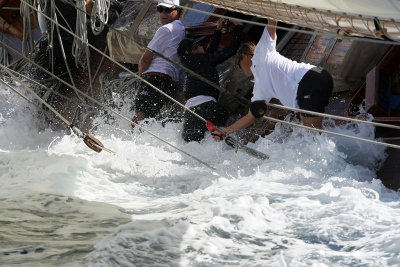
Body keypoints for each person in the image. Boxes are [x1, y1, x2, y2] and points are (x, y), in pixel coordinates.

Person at [213, 19, 333, 141]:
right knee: (314, 135)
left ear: (243, 56)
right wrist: (224, 132)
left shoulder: (263, 50)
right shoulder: (259, 88)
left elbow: (272, 23)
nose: (240, 70)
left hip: (308, 81)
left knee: (313, 137)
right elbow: (251, 115)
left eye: (238, 66)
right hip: (320, 77)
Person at [177, 18, 244, 142]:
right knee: (224, 134)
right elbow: (231, 50)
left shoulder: (191, 64)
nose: (202, 46)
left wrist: (217, 31)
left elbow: (209, 52)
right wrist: (239, 27)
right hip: (208, 109)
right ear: (193, 51)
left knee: (192, 147)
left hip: (190, 115)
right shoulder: (201, 60)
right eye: (198, 45)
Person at [131, 0, 185, 126]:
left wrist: (142, 81)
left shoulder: (167, 29)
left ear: (178, 10)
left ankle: (129, 141)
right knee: (151, 120)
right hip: (170, 81)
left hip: (155, 78)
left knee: (139, 118)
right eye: (160, 9)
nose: (163, 13)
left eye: (168, 10)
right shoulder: (181, 29)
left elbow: (145, 59)